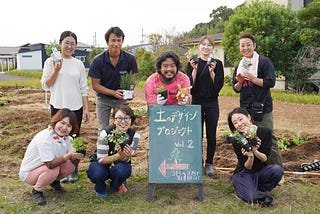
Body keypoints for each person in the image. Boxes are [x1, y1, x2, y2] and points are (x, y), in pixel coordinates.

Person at [41, 30, 90, 182]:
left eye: (72, 44)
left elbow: (84, 87)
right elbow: (46, 85)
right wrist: (56, 70)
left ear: (75, 46)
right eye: (66, 43)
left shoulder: (78, 64)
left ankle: (73, 169)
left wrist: (86, 108)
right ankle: (59, 171)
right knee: (57, 138)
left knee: (75, 138)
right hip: (58, 107)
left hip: (76, 107)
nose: (69, 46)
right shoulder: (51, 62)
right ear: (60, 44)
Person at [232, 33, 282, 168]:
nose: (245, 47)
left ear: (254, 45)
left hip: (262, 108)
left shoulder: (264, 62)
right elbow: (236, 88)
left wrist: (254, 79)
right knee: (248, 139)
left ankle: (277, 170)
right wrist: (241, 82)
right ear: (239, 47)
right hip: (245, 109)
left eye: (248, 44)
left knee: (268, 138)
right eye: (242, 45)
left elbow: (270, 82)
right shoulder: (239, 65)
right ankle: (253, 170)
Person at [18, 108, 84, 206]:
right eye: (62, 123)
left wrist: (79, 155)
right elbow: (50, 164)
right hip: (30, 172)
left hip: (49, 168)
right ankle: (37, 191)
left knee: (70, 165)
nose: (64, 128)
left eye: (69, 126)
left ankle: (54, 182)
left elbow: (72, 160)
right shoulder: (44, 138)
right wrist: (68, 155)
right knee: (53, 170)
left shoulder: (68, 139)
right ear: (55, 121)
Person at [227, 107, 284, 206]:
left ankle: (255, 189)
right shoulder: (237, 139)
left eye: (241, 119)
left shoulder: (265, 132)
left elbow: (265, 158)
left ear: (249, 117)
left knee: (277, 170)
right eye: (235, 122)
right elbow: (247, 167)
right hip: (244, 173)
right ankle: (253, 192)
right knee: (250, 197)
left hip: (261, 170)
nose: (239, 124)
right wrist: (250, 156)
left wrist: (255, 151)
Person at [187, 35, 224, 176]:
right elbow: (189, 86)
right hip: (196, 102)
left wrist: (212, 72)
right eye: (204, 44)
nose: (206, 47)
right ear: (199, 46)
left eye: (209, 45)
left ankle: (209, 163)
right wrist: (194, 70)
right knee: (197, 135)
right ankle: (197, 161)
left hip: (212, 103)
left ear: (212, 48)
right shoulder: (192, 62)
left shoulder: (217, 63)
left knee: (211, 135)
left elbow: (218, 86)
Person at [88, 26, 138, 132]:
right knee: (103, 128)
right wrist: (113, 93)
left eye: (119, 40)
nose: (116, 44)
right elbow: (95, 86)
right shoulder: (98, 60)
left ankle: (121, 148)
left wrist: (130, 92)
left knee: (122, 126)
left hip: (121, 99)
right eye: (113, 40)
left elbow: (132, 81)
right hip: (103, 99)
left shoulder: (130, 59)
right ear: (107, 42)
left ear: (122, 41)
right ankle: (103, 148)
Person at [86, 105, 140, 197]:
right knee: (97, 172)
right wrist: (118, 156)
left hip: (120, 163)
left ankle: (116, 184)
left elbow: (127, 159)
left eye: (127, 118)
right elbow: (101, 160)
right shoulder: (105, 133)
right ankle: (100, 186)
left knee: (122, 170)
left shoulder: (135, 136)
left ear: (131, 120)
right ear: (114, 120)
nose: (123, 122)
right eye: (119, 118)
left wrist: (126, 156)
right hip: (102, 162)